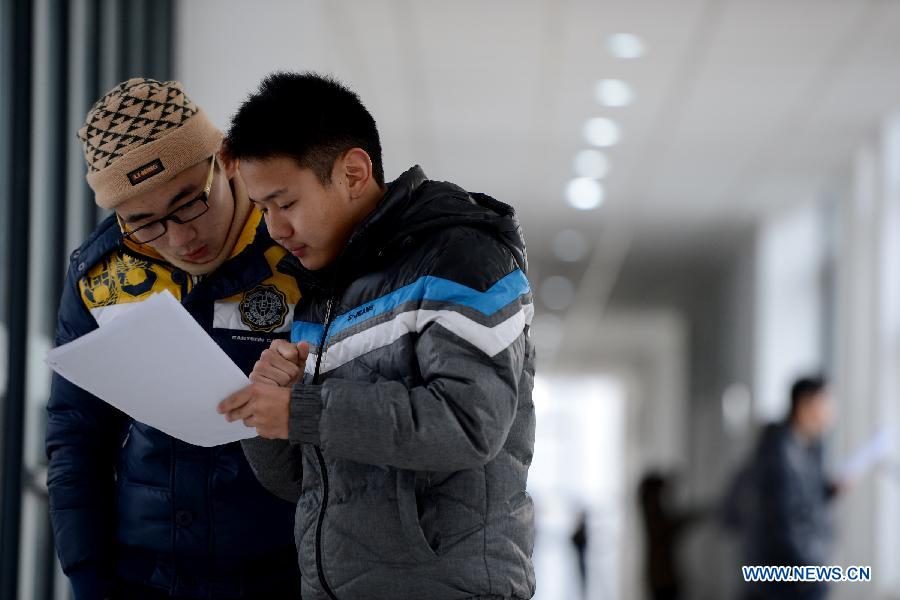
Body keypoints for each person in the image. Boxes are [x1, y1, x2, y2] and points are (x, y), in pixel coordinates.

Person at [217, 72, 536, 600]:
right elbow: (308, 483)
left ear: (354, 173)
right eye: (263, 209)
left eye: (285, 203)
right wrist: (266, 409)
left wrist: (305, 410)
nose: (274, 228)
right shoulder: (321, 294)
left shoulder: (464, 259)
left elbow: (469, 425)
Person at [46, 78, 302, 600]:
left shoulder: (301, 254)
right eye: (145, 223)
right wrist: (89, 578)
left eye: (190, 202)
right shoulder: (101, 278)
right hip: (146, 574)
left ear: (226, 159)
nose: (181, 238)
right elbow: (77, 442)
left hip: (285, 573)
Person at [728, 376, 841, 600]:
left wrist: (827, 490)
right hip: (786, 576)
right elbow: (782, 518)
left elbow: (801, 502)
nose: (831, 413)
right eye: (826, 403)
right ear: (805, 404)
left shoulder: (806, 447)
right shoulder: (779, 453)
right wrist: (805, 570)